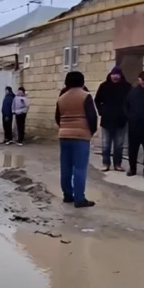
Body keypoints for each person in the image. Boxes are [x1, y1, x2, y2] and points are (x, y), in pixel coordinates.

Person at [55, 71, 97, 208]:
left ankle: (68, 195)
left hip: (64, 135)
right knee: (79, 168)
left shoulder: (62, 97)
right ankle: (80, 198)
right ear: (82, 81)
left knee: (65, 166)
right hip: (81, 135)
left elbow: (57, 117)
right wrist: (91, 131)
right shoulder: (85, 96)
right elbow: (92, 117)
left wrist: (64, 128)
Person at [94, 66, 131, 172]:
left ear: (120, 75)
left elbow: (131, 102)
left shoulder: (126, 87)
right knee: (106, 144)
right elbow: (97, 100)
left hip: (121, 120)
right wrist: (102, 111)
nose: (115, 77)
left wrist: (127, 114)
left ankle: (117, 164)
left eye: (117, 75)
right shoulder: (104, 86)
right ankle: (106, 163)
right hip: (107, 120)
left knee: (119, 145)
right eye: (113, 74)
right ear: (110, 75)